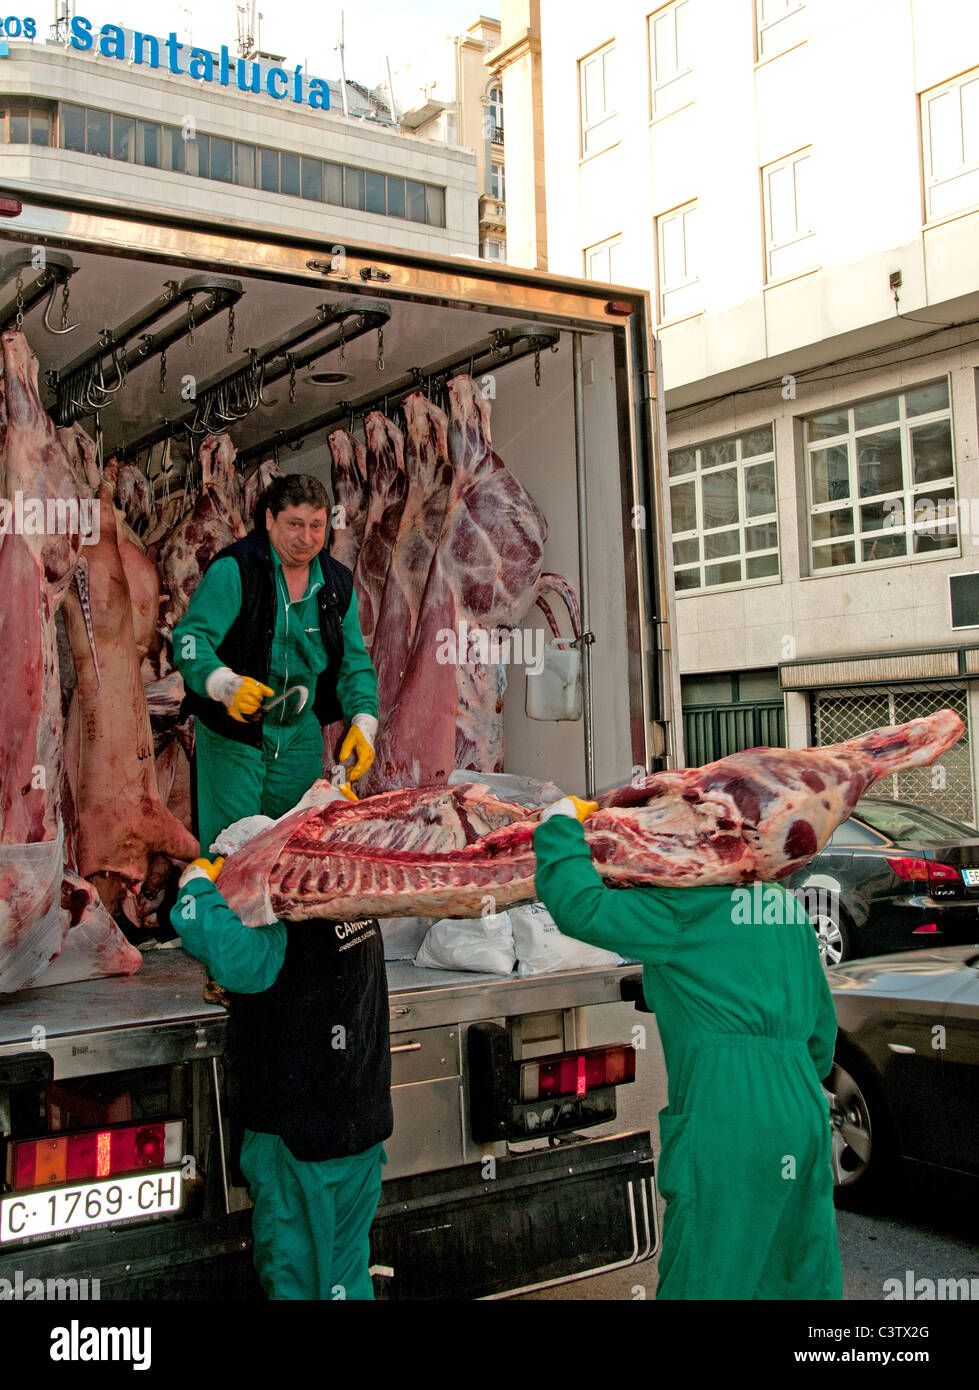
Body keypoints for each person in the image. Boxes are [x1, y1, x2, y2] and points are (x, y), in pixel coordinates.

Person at [532, 795, 842, 1301]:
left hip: (728, 1115)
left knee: (708, 1268)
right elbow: (820, 1035)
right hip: (800, 1108)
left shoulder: (682, 910)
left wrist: (558, 824)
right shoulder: (780, 905)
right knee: (792, 1268)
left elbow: (580, 907)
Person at [172, 852, 392, 1301]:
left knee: (296, 1281)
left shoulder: (286, 933)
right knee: (344, 1277)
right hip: (360, 1134)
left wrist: (194, 888)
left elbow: (231, 955)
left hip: (297, 1144)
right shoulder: (362, 915)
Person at [174, 473, 378, 855]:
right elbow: (189, 641)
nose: (306, 539)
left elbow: (354, 660)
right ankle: (229, 915)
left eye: (316, 526)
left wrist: (364, 722)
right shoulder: (236, 570)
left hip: (299, 735)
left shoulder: (337, 583)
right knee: (232, 855)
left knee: (292, 854)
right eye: (294, 525)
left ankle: (278, 918)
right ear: (270, 520)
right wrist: (224, 684)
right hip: (235, 733)